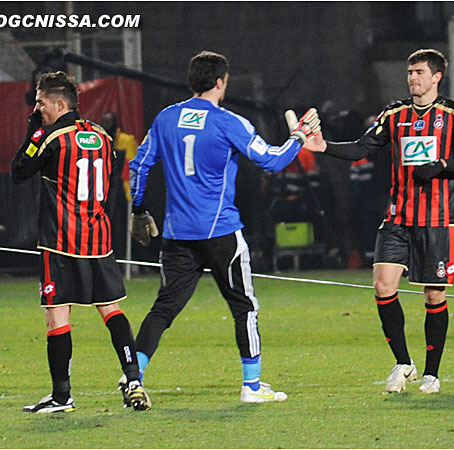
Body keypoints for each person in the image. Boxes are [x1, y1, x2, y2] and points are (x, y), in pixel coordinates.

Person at [127, 51, 321, 404]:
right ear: (221, 82)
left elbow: (138, 167)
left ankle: (133, 377)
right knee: (243, 306)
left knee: (164, 308)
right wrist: (299, 138)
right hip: (220, 233)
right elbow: (272, 161)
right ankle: (251, 385)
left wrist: (139, 211)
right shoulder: (229, 122)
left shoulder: (166, 119)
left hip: (177, 234)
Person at [301, 49, 454, 394]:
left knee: (433, 296)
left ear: (436, 77)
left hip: (436, 219)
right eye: (409, 72)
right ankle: (403, 362)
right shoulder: (394, 114)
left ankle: (432, 373)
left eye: (419, 72)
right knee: (383, 286)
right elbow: (361, 148)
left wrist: (443, 165)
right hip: (398, 217)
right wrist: (323, 146)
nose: (412, 78)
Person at [11, 71, 150, 413]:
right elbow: (111, 177)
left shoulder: (50, 136)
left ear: (60, 103)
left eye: (40, 102)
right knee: (111, 309)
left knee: (57, 317)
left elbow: (18, 170)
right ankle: (133, 379)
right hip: (98, 239)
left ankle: (62, 397)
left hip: (60, 241)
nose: (36, 107)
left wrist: (32, 131)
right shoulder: (102, 136)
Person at [100, 110, 139, 260]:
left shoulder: (125, 140)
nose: (106, 125)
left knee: (124, 226)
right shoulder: (100, 139)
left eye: (109, 122)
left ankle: (129, 259)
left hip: (122, 191)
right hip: (104, 191)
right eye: (104, 122)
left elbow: (131, 167)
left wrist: (130, 191)